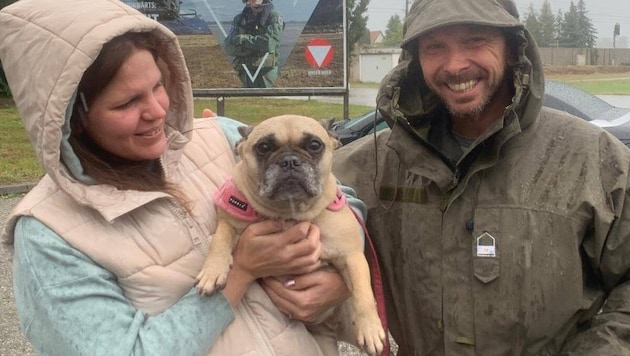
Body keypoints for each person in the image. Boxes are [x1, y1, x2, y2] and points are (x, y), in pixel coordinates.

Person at [0, 0, 360, 354]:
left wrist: (335, 283)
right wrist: (242, 272)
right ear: (71, 117)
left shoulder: (221, 135)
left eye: (158, 86)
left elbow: (342, 198)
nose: (158, 111)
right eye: (127, 103)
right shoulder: (48, 233)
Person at [331, 0, 630, 354]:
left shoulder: (592, 158)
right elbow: (284, 236)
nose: (455, 65)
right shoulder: (367, 166)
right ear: (415, 59)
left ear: (512, 48)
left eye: (475, 40)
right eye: (435, 47)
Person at [224, 0, 284, 88]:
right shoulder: (239, 19)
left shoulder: (273, 16)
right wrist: (255, 46)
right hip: (244, 73)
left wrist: (243, 39)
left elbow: (268, 44)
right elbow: (229, 48)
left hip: (266, 74)